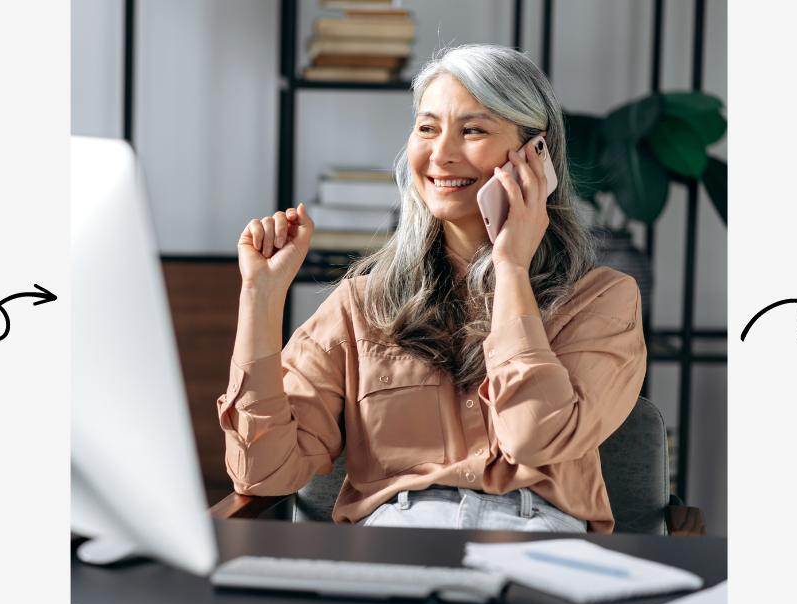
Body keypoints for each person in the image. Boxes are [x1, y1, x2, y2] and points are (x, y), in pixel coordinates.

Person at [218, 44, 645, 533]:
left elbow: (532, 438)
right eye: (427, 128)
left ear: (536, 153)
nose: (441, 153)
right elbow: (264, 474)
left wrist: (511, 267)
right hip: (396, 538)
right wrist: (261, 297)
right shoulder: (360, 306)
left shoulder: (602, 299)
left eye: (473, 129)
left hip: (537, 539)